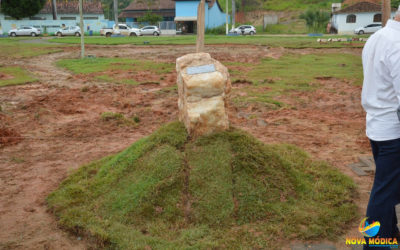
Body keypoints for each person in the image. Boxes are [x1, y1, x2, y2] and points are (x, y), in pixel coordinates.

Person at [361, 8, 400, 249]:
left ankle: (390, 233)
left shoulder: (377, 37)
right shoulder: (397, 44)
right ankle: (374, 244)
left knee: (387, 186)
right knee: (384, 193)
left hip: (377, 126)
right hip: (394, 132)